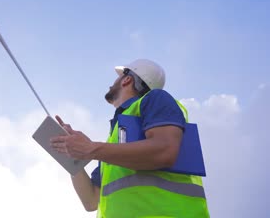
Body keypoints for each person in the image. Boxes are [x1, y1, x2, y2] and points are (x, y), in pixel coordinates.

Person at [50, 59, 209, 217]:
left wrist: (91, 148)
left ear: (127, 79)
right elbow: (91, 201)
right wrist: (70, 155)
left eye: (118, 77)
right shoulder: (110, 147)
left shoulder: (155, 99)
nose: (113, 82)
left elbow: (165, 150)